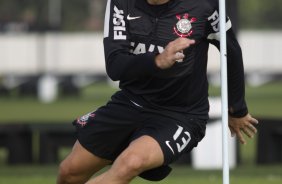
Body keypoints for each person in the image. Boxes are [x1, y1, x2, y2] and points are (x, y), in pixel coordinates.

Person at [57, 0, 259, 183]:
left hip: (181, 115)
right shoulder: (121, 3)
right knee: (69, 172)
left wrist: (237, 108)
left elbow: (231, 51)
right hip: (129, 102)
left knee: (130, 162)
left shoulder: (204, 6)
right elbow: (115, 65)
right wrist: (157, 60)